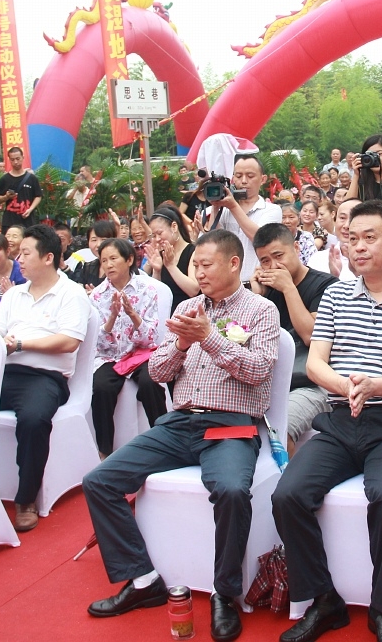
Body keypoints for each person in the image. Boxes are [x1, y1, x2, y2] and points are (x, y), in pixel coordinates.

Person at [82, 230, 280, 641]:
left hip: (230, 425)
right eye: (195, 266)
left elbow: (259, 371)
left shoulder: (262, 310)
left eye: (207, 265)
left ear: (234, 264)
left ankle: (225, 593)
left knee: (231, 491)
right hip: (180, 422)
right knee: (100, 480)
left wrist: (209, 338)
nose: (199, 273)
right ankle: (143, 579)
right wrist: (182, 345)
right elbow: (156, 372)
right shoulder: (188, 307)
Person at [272, 200, 382, 642]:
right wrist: (348, 386)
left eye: (370, 238)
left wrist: (375, 387)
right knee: (288, 495)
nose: (359, 247)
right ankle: (324, 600)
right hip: (339, 420)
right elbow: (316, 363)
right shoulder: (335, 295)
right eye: (353, 239)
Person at [0, 225, 92, 532]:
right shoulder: (14, 295)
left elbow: (69, 341)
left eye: (25, 254)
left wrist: (21, 344)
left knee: (34, 420)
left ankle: (26, 499)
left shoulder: (71, 293)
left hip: (45, 378)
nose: (18, 259)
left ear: (48, 257)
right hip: (4, 372)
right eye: (18, 253)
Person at [250, 222, 337, 448]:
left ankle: (288, 472)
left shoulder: (327, 285)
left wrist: (289, 288)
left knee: (281, 428)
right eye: (265, 261)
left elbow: (311, 336)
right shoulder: (266, 291)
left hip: (313, 383)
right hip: (271, 382)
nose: (274, 266)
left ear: (296, 249)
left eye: (279, 256)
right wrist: (258, 298)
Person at [89, 237, 163, 459]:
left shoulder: (147, 289)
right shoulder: (97, 295)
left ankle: (164, 440)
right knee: (101, 387)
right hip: (110, 356)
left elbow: (151, 338)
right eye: (104, 261)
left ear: (129, 260)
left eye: (113, 258)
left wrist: (133, 315)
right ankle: (105, 451)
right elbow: (98, 344)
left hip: (140, 354)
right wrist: (111, 318)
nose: (108, 265)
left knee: (151, 382)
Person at [206, 154, 283, 280]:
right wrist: (216, 205)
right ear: (232, 179)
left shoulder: (271, 210)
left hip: (257, 283)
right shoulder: (224, 210)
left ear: (263, 179)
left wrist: (233, 206)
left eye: (250, 176)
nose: (244, 181)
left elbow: (261, 238)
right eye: (238, 176)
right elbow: (214, 242)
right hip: (227, 284)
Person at [145, 206, 198, 311]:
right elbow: (155, 294)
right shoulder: (161, 255)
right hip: (166, 314)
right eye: (154, 236)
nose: (157, 239)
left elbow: (193, 290)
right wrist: (156, 270)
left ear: (174, 227)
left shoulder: (193, 251)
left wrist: (171, 266)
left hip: (189, 314)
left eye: (160, 233)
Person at [310, 198, 361, 282]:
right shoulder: (318, 259)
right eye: (342, 218)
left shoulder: (374, 261)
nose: (346, 225)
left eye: (353, 218)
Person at [0, 146, 43, 232]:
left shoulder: (32, 178)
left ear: (23, 157)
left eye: (18, 159)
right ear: (9, 160)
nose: (15, 162)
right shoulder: (4, 179)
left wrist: (30, 209)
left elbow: (38, 196)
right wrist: (6, 197)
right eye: (12, 159)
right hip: (10, 221)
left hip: (28, 220)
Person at [70, 220, 119, 291]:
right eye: (94, 240)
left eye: (103, 240)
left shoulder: (122, 267)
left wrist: (96, 295)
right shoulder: (87, 268)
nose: (98, 245)